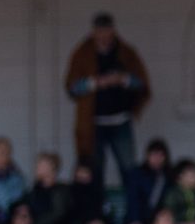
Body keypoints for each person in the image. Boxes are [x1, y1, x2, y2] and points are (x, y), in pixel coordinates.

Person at [64, 12, 151, 182]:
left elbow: (141, 84)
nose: (104, 36)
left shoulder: (126, 52)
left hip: (121, 121)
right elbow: (71, 88)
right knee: (94, 170)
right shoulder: (82, 53)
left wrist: (122, 79)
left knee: (129, 169)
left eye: (107, 32)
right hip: (93, 123)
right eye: (100, 32)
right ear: (94, 32)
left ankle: (132, 207)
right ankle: (98, 208)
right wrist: (94, 83)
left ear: (113, 31)